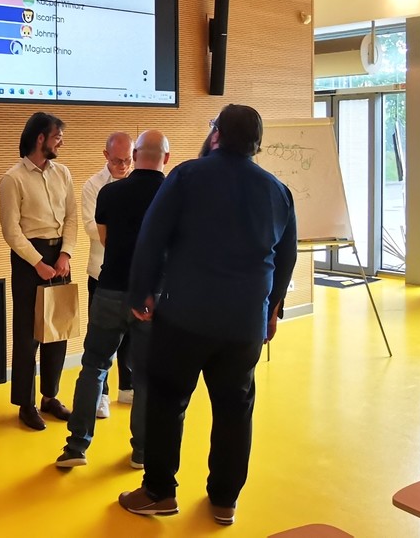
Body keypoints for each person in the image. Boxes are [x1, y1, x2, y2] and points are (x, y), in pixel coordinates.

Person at [118, 104, 298, 527]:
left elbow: (152, 236)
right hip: (244, 324)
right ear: (257, 143)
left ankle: (159, 492)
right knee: (235, 409)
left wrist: (141, 292)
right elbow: (285, 258)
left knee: (166, 402)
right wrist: (272, 310)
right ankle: (224, 500)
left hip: (186, 316)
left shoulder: (186, 176)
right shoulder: (277, 190)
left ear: (216, 133)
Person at [58, 130, 169, 471]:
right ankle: (142, 452)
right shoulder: (172, 193)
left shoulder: (109, 192)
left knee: (93, 366)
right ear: (166, 158)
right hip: (153, 296)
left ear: (135, 156)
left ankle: (76, 446)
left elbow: (106, 240)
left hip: (109, 289)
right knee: (146, 375)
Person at [0, 111, 78, 431]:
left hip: (60, 258)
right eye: (57, 137)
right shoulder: (12, 178)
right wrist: (37, 262)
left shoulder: (63, 173)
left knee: (57, 330)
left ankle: (50, 397)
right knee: (28, 334)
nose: (61, 143)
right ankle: (26, 403)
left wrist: (66, 254)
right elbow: (11, 230)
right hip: (29, 259)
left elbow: (72, 216)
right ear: (40, 138)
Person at [81, 131, 133, 418]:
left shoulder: (138, 182)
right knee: (101, 338)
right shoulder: (93, 185)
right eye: (117, 160)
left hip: (132, 271)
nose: (123, 166)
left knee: (131, 336)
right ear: (106, 155)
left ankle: (127, 387)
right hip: (101, 271)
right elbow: (91, 226)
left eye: (128, 160)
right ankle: (102, 394)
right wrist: (126, 234)